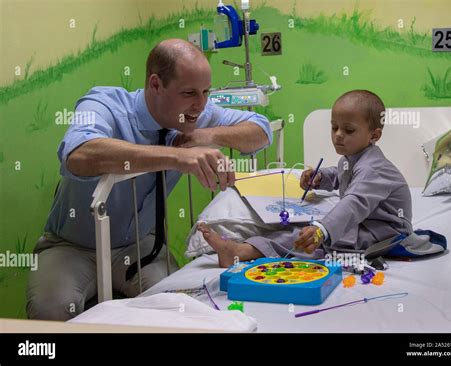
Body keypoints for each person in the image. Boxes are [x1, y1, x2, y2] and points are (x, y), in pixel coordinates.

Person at [27, 39, 272, 320]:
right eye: (190, 92)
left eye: (206, 91)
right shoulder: (105, 103)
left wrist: (204, 136)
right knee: (52, 309)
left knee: (182, 307)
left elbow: (262, 131)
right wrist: (175, 156)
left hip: (139, 245)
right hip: (71, 245)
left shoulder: (195, 114)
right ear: (155, 84)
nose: (201, 104)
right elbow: (78, 153)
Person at [198, 90, 413, 267]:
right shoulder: (353, 159)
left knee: (323, 243)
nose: (338, 135)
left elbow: (354, 202)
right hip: (367, 224)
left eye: (348, 130)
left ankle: (241, 252)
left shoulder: (374, 168)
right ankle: (245, 248)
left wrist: (322, 229)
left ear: (374, 136)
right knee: (299, 231)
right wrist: (321, 177)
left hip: (387, 232)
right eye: (334, 127)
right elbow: (341, 175)